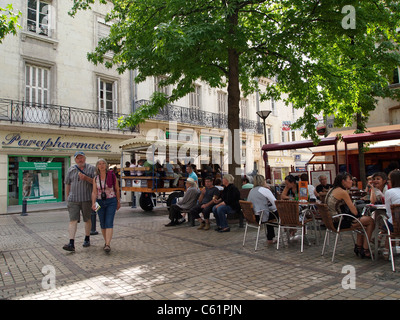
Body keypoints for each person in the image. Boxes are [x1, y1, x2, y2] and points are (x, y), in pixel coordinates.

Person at [325, 172, 375, 258]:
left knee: (362, 222)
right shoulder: (343, 192)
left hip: (331, 221)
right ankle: (365, 249)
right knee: (370, 221)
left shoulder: (331, 190)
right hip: (339, 222)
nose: (352, 181)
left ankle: (359, 247)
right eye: (350, 179)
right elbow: (354, 212)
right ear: (343, 181)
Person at [63, 151, 95, 252]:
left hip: (87, 199)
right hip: (73, 200)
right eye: (78, 158)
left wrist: (86, 178)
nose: (80, 160)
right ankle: (71, 243)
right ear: (75, 160)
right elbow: (67, 184)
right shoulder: (71, 170)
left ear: (85, 159)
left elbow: (96, 182)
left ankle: (87, 238)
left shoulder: (91, 169)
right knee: (73, 220)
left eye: (81, 158)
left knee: (87, 219)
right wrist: (67, 198)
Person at [91, 159, 120, 253]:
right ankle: (106, 241)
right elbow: (94, 192)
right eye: (99, 164)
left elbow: (117, 189)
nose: (102, 165)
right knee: (102, 223)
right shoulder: (96, 178)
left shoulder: (112, 175)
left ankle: (107, 244)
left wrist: (118, 201)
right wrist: (93, 203)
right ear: (97, 166)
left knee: (109, 222)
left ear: (106, 165)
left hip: (111, 201)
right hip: (99, 202)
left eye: (103, 163)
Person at [247, 174, 278, 244]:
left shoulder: (251, 190)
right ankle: (289, 228)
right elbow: (276, 203)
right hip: (262, 217)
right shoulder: (264, 190)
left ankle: (270, 238)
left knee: (269, 215)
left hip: (253, 217)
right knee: (279, 213)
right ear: (263, 181)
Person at [383, 169, 400, 259]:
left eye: (389, 179)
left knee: (385, 224)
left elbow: (389, 212)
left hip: (396, 226)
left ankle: (387, 251)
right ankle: (395, 248)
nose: (388, 181)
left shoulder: (389, 192)